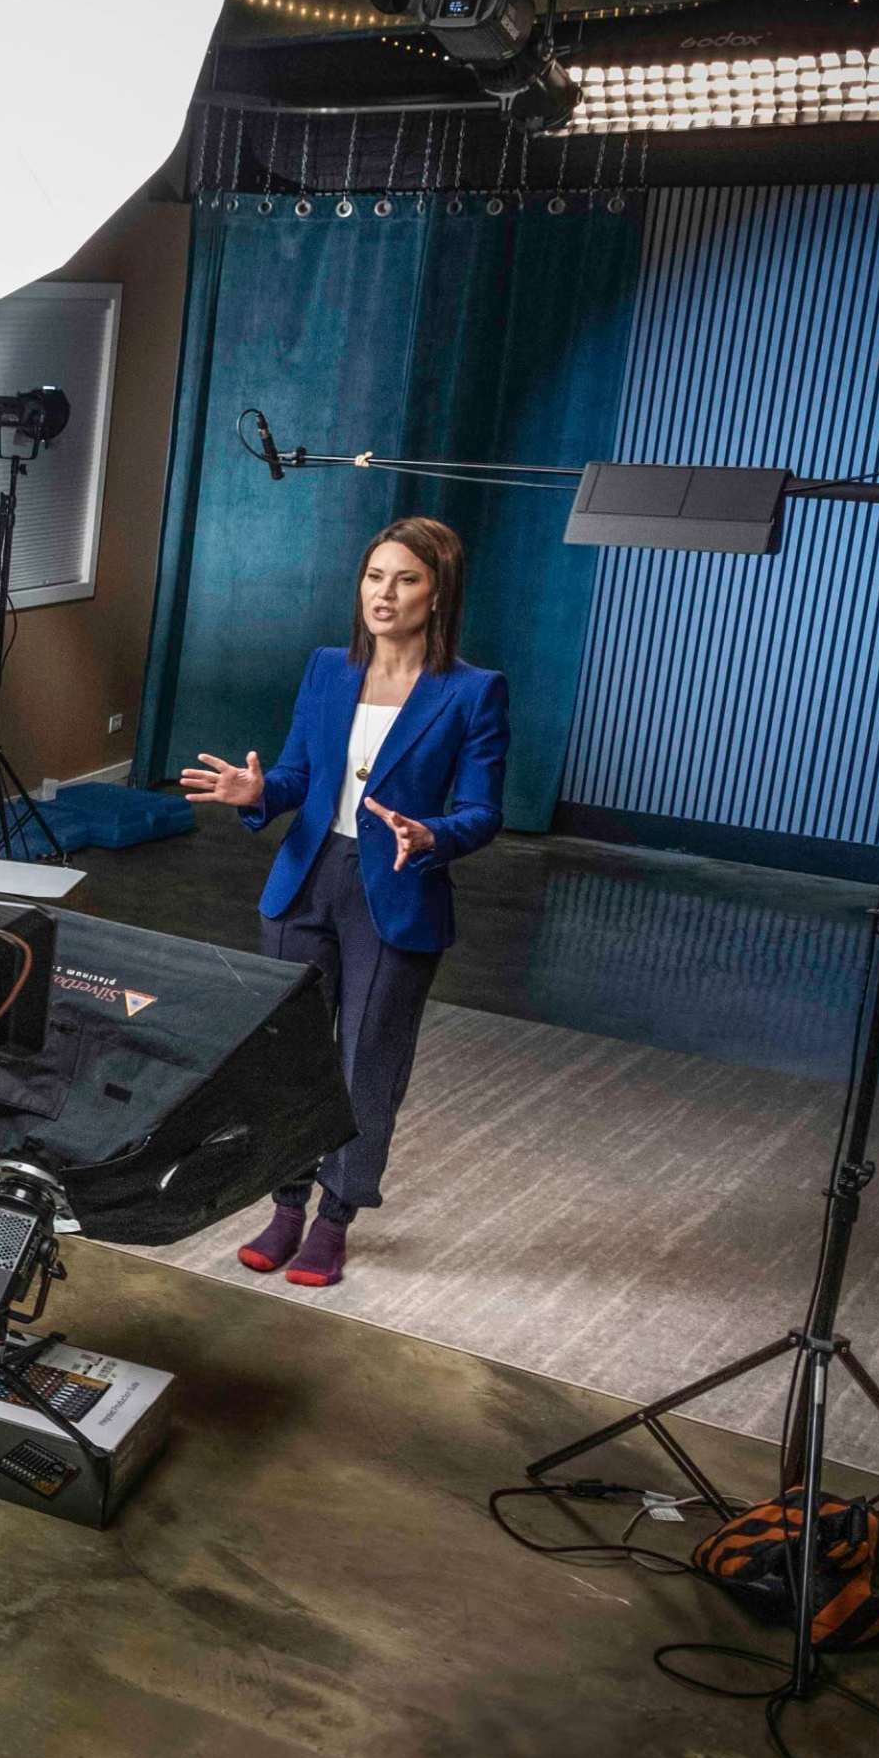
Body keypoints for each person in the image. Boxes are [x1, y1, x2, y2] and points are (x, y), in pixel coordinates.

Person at [179, 514, 508, 1291]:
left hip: (394, 890)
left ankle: (334, 1216)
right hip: (306, 876)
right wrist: (258, 792)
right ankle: (286, 1203)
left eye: (405, 579)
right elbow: (297, 774)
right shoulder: (328, 668)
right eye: (374, 576)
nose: (383, 593)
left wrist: (433, 836)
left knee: (368, 1064)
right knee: (288, 1054)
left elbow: (484, 811)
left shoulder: (473, 691)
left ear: (439, 593)